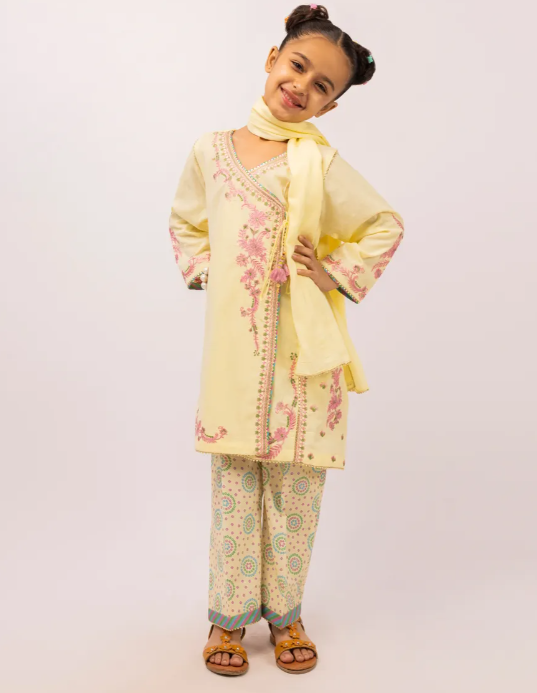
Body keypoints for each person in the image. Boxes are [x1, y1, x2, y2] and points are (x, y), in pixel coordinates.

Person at [168, 3, 404, 676]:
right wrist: (210, 273)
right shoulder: (211, 151)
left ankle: (286, 612)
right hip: (234, 357)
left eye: (321, 85)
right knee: (235, 490)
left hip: (305, 360)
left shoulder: (318, 164)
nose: (301, 86)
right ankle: (227, 617)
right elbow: (187, 222)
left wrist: (334, 273)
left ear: (330, 106)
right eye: (297, 66)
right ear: (272, 59)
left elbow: (384, 224)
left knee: (296, 493)